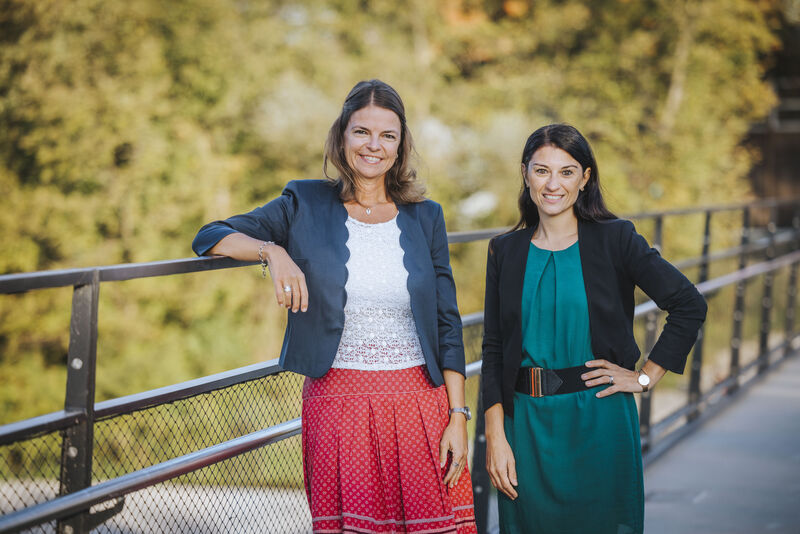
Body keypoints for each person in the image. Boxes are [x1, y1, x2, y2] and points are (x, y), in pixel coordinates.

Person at [193, 79, 476, 534]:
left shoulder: (427, 216)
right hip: (338, 405)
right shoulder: (303, 202)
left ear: (400, 146)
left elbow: (447, 323)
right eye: (362, 131)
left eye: (387, 135)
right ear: (342, 136)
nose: (374, 146)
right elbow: (210, 236)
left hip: (421, 404)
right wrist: (272, 251)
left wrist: (457, 416)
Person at [480, 124, 707, 534]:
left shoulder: (615, 239)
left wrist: (644, 377)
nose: (553, 184)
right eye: (542, 170)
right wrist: (495, 436)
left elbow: (688, 304)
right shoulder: (504, 250)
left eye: (567, 172)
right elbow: (494, 347)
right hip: (525, 428)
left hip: (599, 419)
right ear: (526, 174)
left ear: (585, 178)